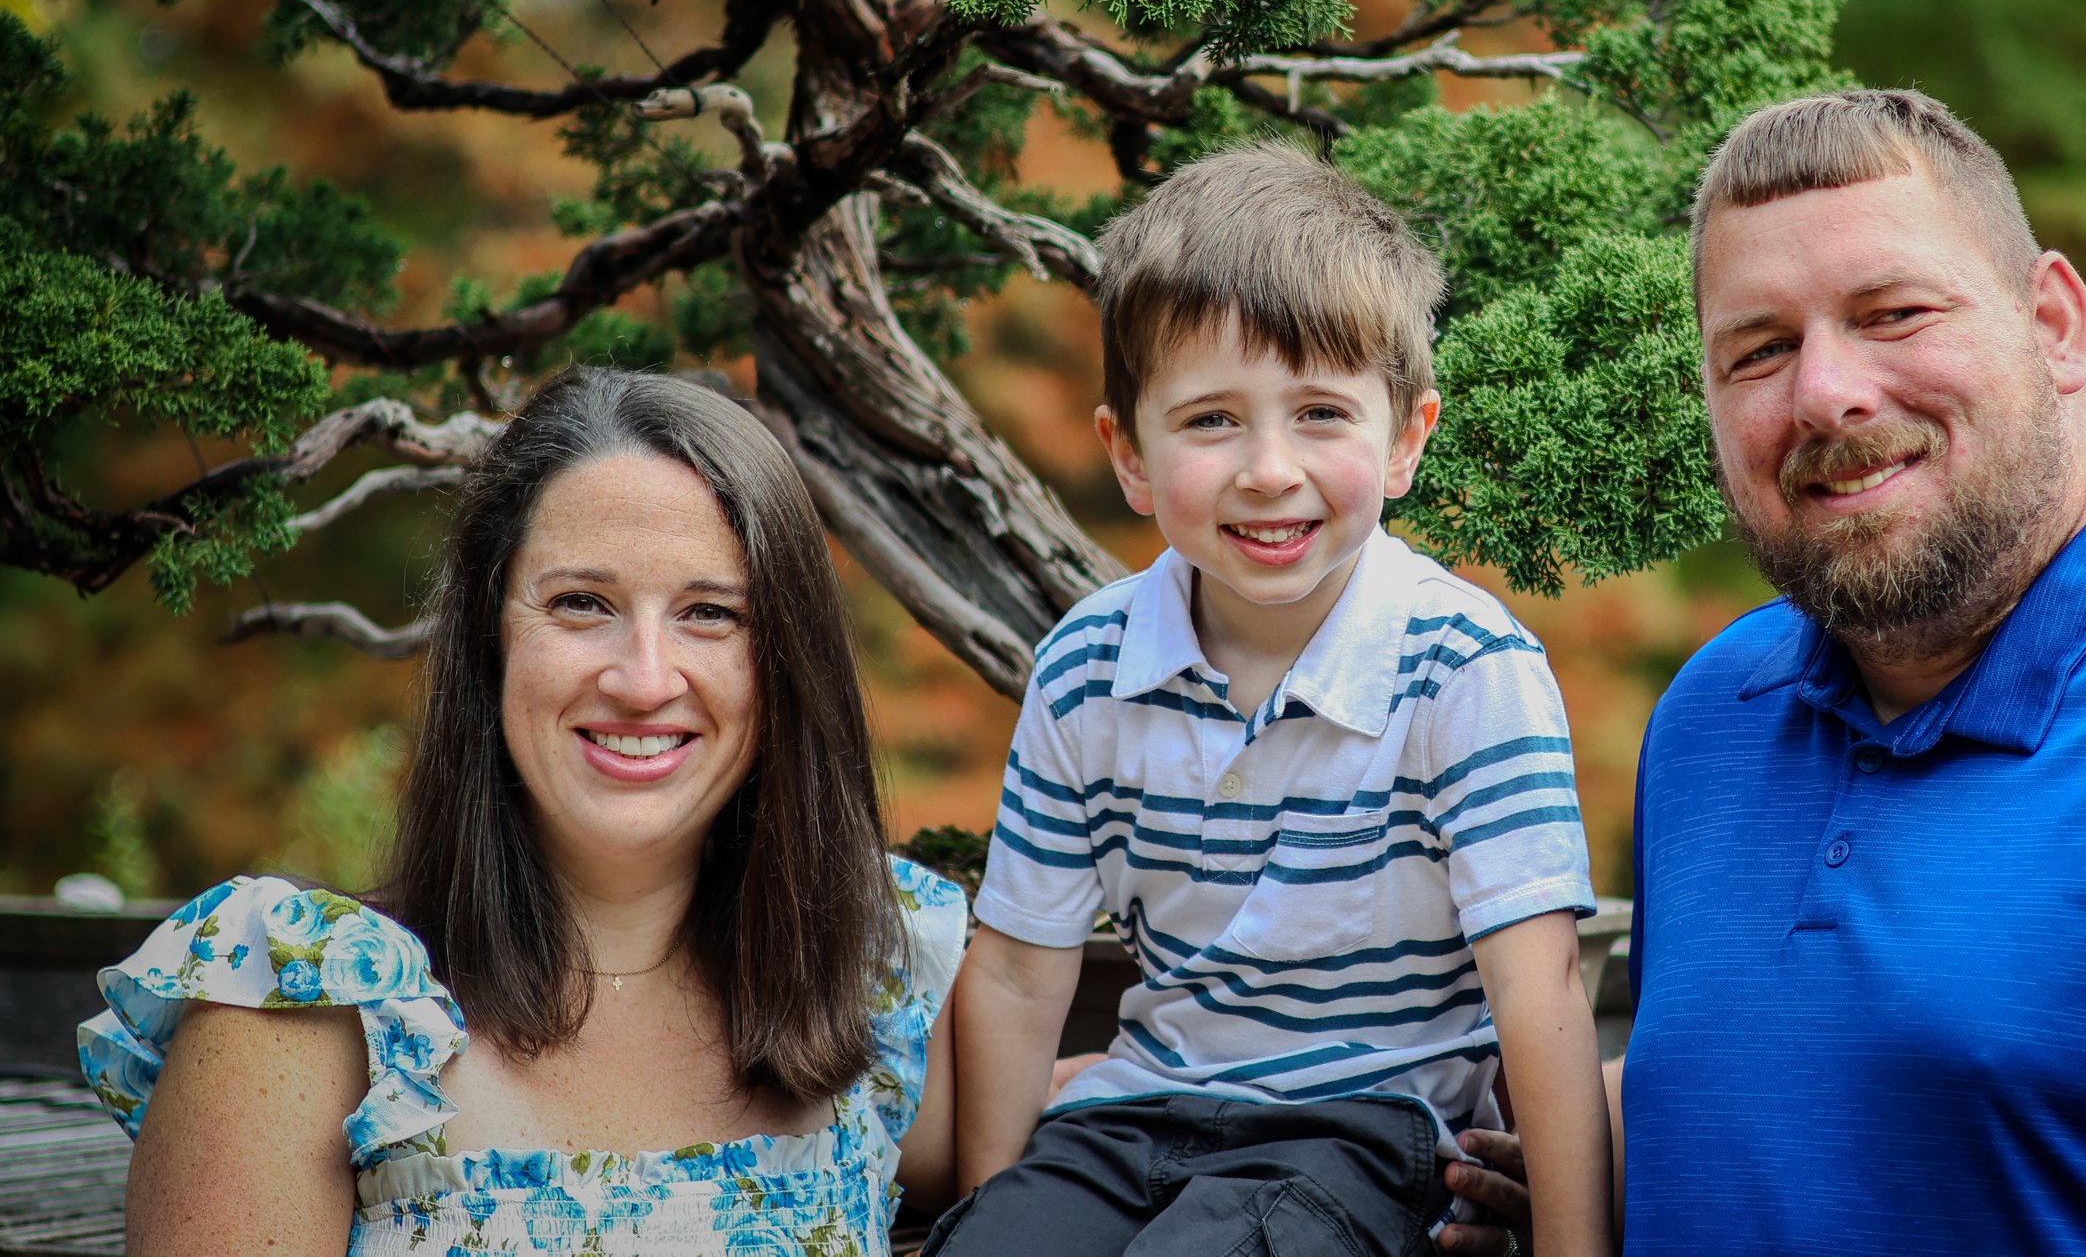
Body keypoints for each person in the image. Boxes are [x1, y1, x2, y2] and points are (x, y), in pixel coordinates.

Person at [1448, 87, 2086, 1255]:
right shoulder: (1710, 715)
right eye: (1759, 349)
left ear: (2053, 323)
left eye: (1892, 312)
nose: (1825, 392)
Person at [78, 367, 968, 1255]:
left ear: (785, 662)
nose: (644, 679)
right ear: (489, 638)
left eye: (710, 612)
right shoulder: (304, 1010)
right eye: (581, 603)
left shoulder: (864, 987)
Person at [934, 143, 1614, 1257]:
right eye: (1210, 419)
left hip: (1365, 1131)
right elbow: (1013, 970)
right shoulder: (1085, 667)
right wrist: (997, 1208)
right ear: (1130, 453)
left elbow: (1538, 989)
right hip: (1135, 1113)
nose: (1267, 467)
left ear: (1404, 439)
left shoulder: (1462, 666)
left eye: (1320, 413)